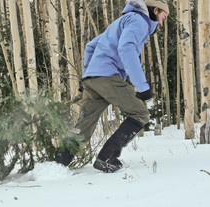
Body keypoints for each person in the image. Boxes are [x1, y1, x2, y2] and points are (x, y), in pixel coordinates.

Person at [54, 0, 169, 172]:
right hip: (107, 77)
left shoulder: (121, 21)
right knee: (140, 113)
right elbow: (127, 49)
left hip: (93, 79)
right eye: (163, 17)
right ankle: (107, 157)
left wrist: (86, 74)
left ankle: (57, 165)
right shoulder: (139, 21)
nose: (161, 23)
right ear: (155, 10)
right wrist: (142, 86)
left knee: (83, 127)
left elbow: (90, 46)